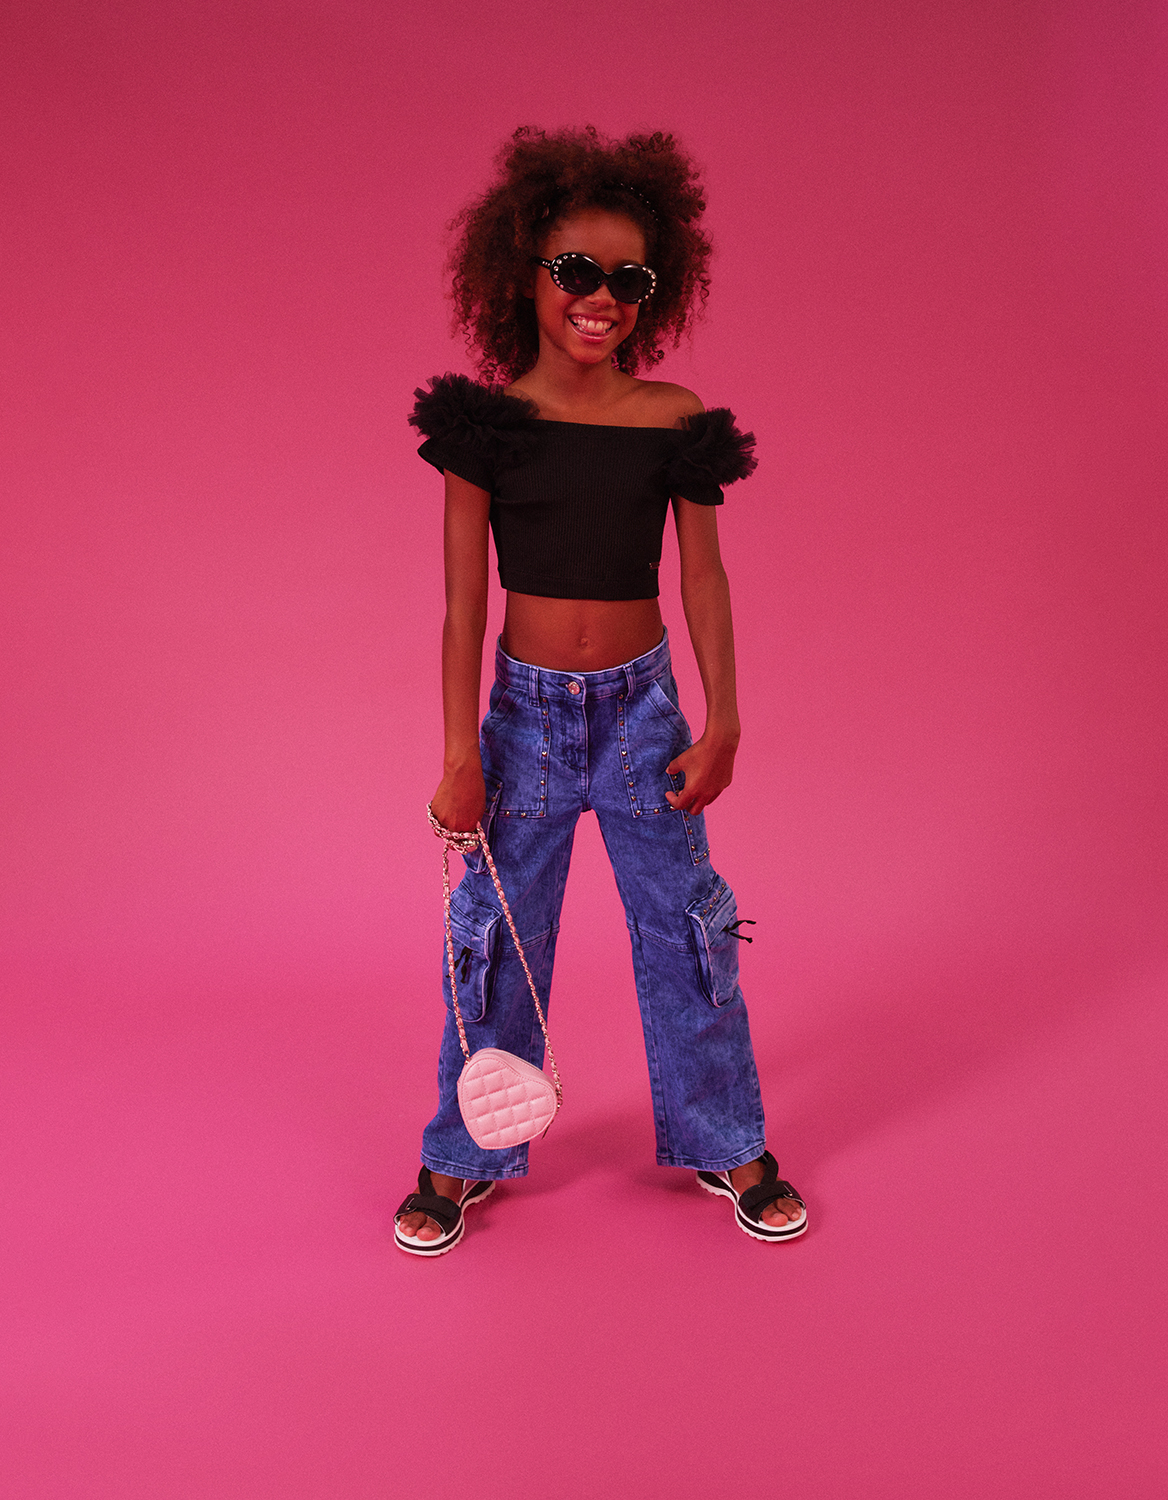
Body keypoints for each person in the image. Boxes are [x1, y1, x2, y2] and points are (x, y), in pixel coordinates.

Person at [394, 126, 805, 1255]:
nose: (602, 299)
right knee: (497, 937)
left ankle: (725, 1137)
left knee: (687, 931)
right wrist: (459, 756)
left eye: (631, 280)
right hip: (524, 725)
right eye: (578, 270)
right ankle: (465, 1152)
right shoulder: (488, 430)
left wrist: (725, 719)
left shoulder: (672, 419)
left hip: (642, 718)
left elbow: (704, 579)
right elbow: (463, 608)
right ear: (522, 274)